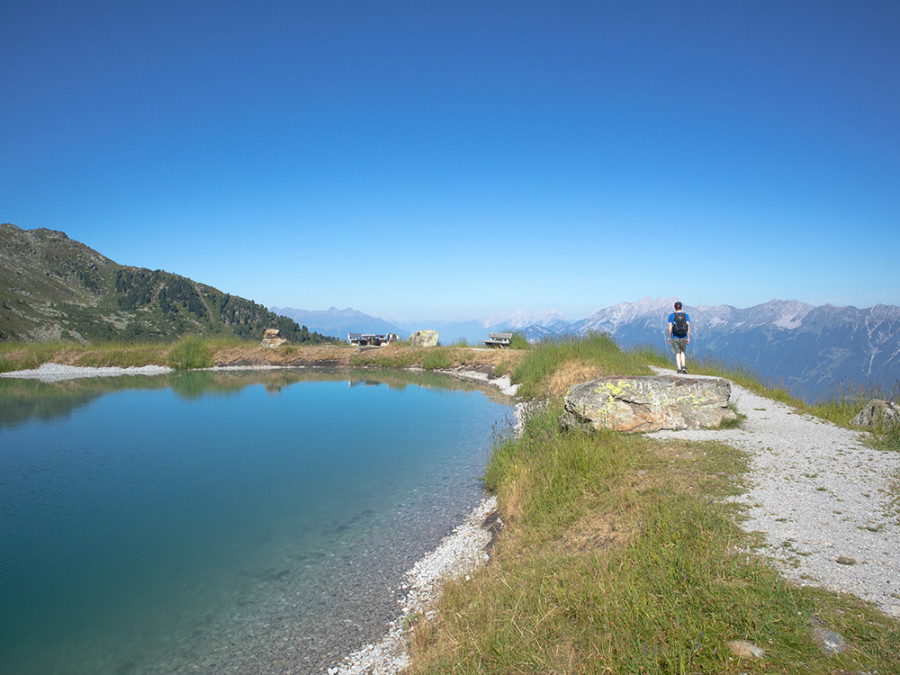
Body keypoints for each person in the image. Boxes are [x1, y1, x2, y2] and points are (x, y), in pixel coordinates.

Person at [667, 301, 690, 374]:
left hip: (675, 337)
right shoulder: (686, 315)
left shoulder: (672, 316)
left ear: (675, 307)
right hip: (683, 336)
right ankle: (683, 366)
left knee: (677, 353)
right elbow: (688, 327)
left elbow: (670, 327)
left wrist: (668, 337)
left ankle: (679, 369)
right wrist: (688, 337)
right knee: (682, 351)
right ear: (681, 307)